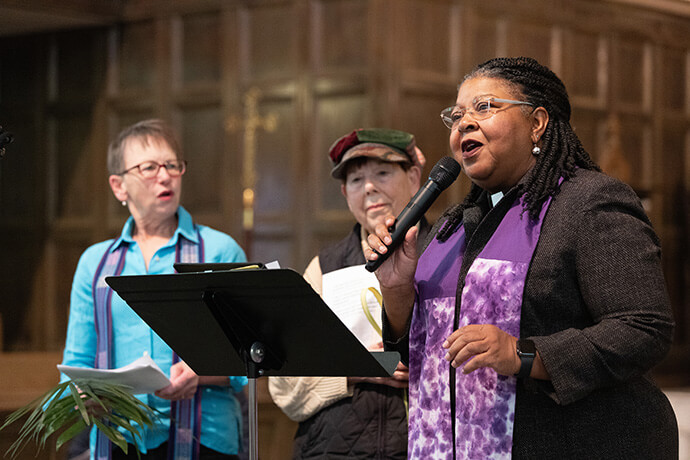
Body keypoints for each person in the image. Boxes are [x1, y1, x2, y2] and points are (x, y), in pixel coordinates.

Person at [366, 57, 678, 459]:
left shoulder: (588, 202)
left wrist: (522, 354)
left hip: (572, 442)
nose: (464, 123)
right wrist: (395, 289)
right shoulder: (455, 224)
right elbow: (425, 356)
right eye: (457, 114)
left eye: (485, 107)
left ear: (538, 122)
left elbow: (644, 328)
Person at [60, 119, 248, 460]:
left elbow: (249, 359)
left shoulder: (219, 251)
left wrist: (200, 373)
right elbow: (77, 361)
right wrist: (82, 396)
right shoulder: (95, 263)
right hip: (118, 438)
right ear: (119, 186)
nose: (165, 177)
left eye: (172, 166)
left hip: (206, 439)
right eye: (149, 168)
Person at [268, 128, 430, 459]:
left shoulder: (449, 250)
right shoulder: (325, 268)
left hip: (425, 444)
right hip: (332, 448)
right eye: (356, 180)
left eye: (383, 173)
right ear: (344, 193)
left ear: (414, 177)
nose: (369, 187)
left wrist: (430, 372)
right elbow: (283, 387)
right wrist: (350, 370)